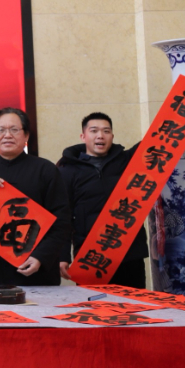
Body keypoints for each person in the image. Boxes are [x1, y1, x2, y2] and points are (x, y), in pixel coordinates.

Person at [0, 107, 71, 287]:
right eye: (1, 130)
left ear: (26, 136)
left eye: (14, 129)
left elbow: (62, 221)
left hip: (36, 269)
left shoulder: (46, 170)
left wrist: (41, 257)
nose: (7, 135)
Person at [56, 112, 149, 288]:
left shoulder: (127, 161)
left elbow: (158, 142)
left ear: (112, 136)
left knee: (134, 304)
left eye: (106, 131)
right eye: (94, 131)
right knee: (95, 304)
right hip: (91, 257)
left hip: (129, 254)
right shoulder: (67, 171)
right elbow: (63, 216)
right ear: (83, 136)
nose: (100, 135)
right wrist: (62, 256)